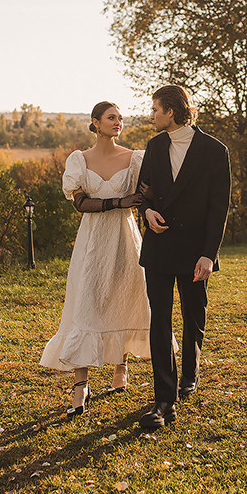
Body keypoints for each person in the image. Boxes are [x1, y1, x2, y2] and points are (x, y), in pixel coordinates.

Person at [39, 101, 151, 416]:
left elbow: (148, 195)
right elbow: (80, 203)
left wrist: (143, 203)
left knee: (124, 296)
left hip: (125, 238)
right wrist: (118, 200)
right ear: (96, 122)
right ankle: (81, 385)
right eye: (111, 117)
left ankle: (121, 369)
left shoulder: (135, 159)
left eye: (120, 118)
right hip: (91, 241)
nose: (118, 122)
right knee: (86, 305)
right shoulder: (80, 159)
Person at [137, 84, 231, 429]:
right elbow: (143, 193)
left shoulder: (214, 150)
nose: (151, 116)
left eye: (155, 110)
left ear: (172, 112)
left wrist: (209, 255)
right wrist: (146, 213)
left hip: (195, 251)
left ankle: (189, 372)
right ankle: (164, 399)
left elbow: (219, 207)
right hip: (158, 249)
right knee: (159, 320)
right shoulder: (154, 146)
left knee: (194, 315)